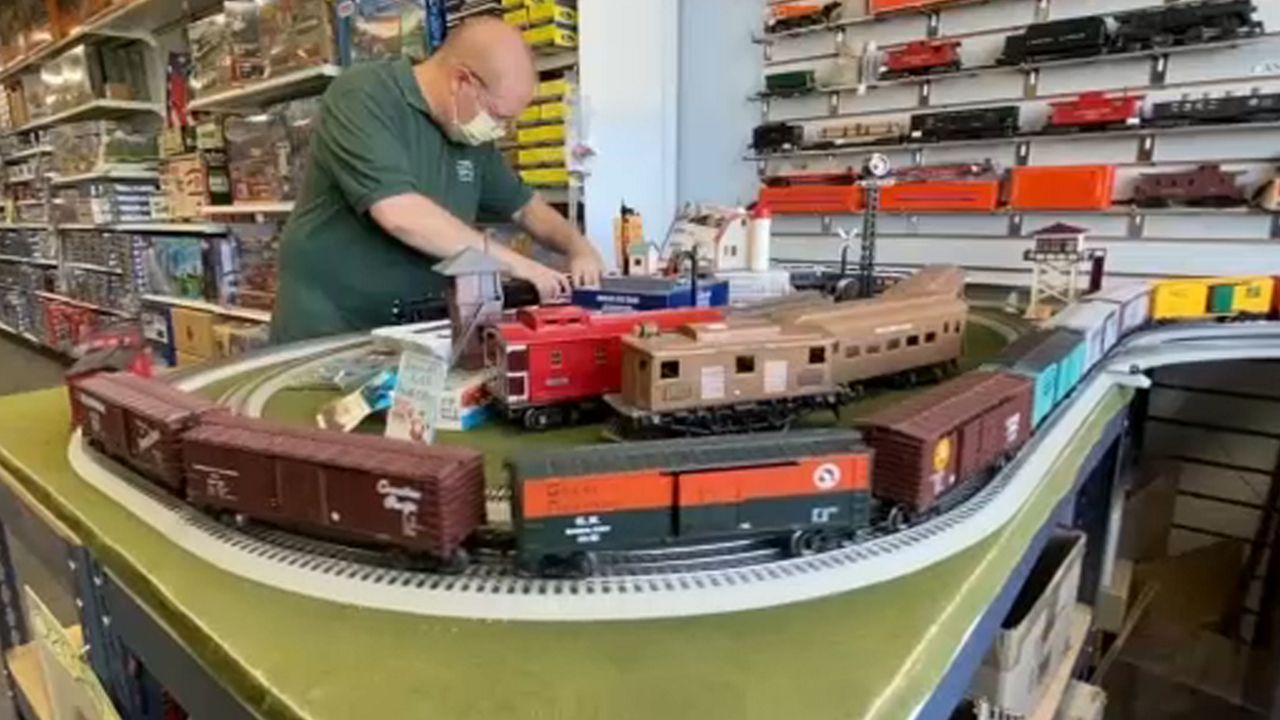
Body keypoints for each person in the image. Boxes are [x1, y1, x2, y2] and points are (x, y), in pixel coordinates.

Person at [270, 17, 605, 343]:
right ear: (461, 80)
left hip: (412, 334)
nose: (502, 130)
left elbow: (526, 208)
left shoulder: (469, 137)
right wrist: (520, 266)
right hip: (332, 331)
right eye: (498, 116)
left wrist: (579, 248)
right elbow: (400, 214)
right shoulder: (364, 95)